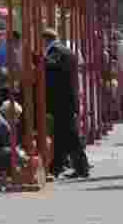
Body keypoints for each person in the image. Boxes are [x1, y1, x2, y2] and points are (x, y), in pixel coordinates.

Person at [43, 28, 90, 178]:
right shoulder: (66, 51)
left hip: (61, 102)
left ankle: (81, 168)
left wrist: (39, 60)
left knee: (70, 136)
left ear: (45, 39)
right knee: (62, 135)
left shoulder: (56, 51)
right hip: (67, 101)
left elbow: (50, 70)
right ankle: (56, 168)